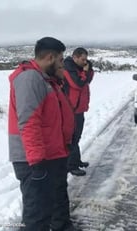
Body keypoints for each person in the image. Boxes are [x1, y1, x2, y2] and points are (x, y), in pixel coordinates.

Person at [8, 37, 76, 230]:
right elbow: (29, 122)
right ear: (50, 57)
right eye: (61, 60)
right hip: (34, 160)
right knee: (38, 214)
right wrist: (37, 162)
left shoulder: (47, 80)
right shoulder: (30, 79)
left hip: (52, 154)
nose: (63, 64)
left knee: (55, 202)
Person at [62, 47, 94, 176]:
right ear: (75, 57)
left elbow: (88, 80)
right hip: (71, 109)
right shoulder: (68, 68)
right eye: (82, 59)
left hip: (79, 109)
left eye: (86, 59)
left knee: (77, 136)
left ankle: (76, 160)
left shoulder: (79, 68)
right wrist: (85, 73)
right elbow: (78, 84)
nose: (84, 62)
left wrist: (88, 69)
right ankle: (71, 165)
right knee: (72, 138)